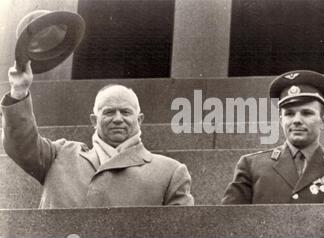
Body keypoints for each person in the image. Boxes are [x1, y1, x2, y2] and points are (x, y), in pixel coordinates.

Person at [1, 61, 194, 208]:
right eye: (109, 112)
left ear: (140, 119)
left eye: (125, 112)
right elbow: (21, 143)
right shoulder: (59, 154)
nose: (118, 119)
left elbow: (182, 234)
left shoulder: (169, 172)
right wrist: (19, 90)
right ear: (94, 120)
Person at [222, 70, 324, 204]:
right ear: (281, 120)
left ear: (323, 121)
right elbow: (229, 218)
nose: (296, 120)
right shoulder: (252, 165)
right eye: (289, 114)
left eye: (306, 113)